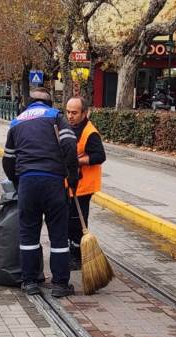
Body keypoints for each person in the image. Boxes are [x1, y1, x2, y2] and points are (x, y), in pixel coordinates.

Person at [2, 87, 79, 298]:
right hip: (53, 183)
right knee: (58, 236)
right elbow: (70, 146)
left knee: (28, 234)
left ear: (29, 103)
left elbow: (8, 159)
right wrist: (72, 177)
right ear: (49, 103)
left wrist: (17, 181)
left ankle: (30, 282)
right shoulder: (56, 117)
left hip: (27, 183)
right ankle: (60, 285)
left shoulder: (17, 122)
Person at [65, 97, 105, 271]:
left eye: (74, 113)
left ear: (84, 113)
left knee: (77, 223)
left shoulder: (90, 133)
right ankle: (69, 252)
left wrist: (77, 161)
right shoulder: (69, 128)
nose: (70, 116)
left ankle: (77, 256)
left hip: (83, 186)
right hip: (69, 184)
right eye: (68, 112)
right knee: (68, 220)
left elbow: (99, 156)